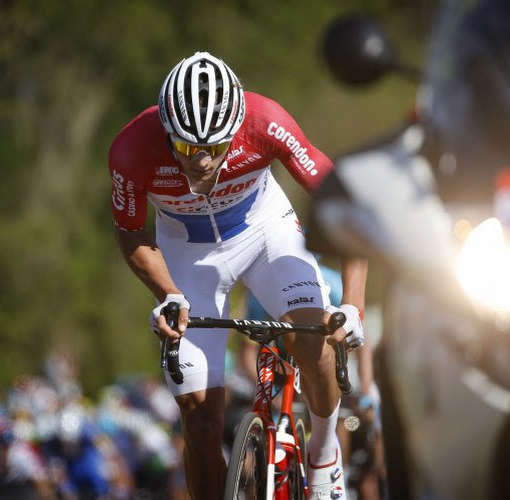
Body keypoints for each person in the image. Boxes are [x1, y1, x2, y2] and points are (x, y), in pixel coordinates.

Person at [108, 51, 368, 500]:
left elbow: (347, 206)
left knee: (312, 340)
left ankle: (325, 455)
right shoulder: (132, 149)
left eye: (214, 148)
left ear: (236, 128)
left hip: (267, 232)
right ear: (167, 132)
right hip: (188, 254)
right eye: (189, 148)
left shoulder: (266, 122)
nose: (202, 162)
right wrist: (167, 293)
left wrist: (353, 306)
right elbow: (130, 233)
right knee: (199, 416)